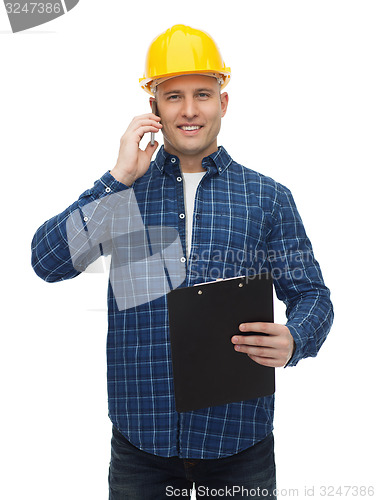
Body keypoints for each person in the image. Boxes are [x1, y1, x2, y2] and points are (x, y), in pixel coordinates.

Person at [31, 24, 333, 499]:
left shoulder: (268, 198)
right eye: (173, 96)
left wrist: (297, 338)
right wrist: (116, 179)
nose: (189, 110)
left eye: (203, 94)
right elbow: (47, 262)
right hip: (140, 445)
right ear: (153, 107)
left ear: (223, 103)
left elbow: (312, 294)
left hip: (239, 442)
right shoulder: (123, 194)